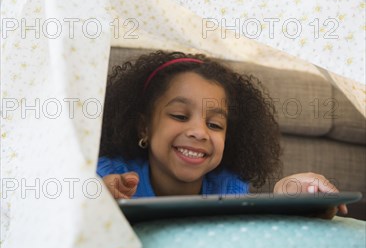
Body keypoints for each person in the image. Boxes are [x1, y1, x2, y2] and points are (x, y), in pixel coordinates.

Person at [97, 50, 347, 218]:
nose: (199, 132)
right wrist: (97, 197)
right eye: (180, 116)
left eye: (215, 125)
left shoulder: (228, 185)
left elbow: (247, 230)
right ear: (145, 127)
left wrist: (290, 202)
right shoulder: (111, 175)